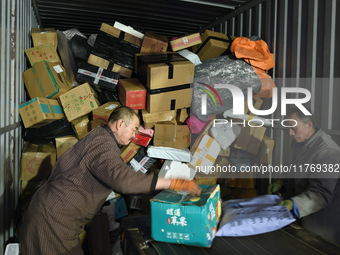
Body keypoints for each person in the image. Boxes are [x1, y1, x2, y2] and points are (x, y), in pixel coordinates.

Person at [20, 106, 202, 254]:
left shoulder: (99, 138)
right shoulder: (104, 146)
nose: (134, 136)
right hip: (55, 218)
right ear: (120, 124)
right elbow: (122, 179)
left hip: (52, 212)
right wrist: (174, 182)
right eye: (133, 130)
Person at [268, 106, 340, 245]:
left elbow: (321, 193)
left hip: (320, 222)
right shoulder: (298, 142)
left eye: (293, 128)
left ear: (309, 124)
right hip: (301, 216)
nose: (290, 133)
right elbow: (293, 168)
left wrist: (292, 203)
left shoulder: (327, 151)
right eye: (289, 128)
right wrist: (281, 181)